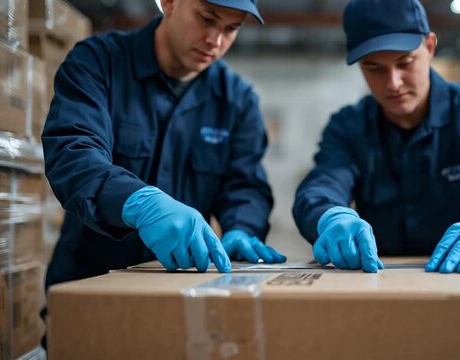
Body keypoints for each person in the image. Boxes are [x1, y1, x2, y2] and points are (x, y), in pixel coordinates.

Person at [292, 0, 460, 274]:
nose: (393, 83)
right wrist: (330, 216)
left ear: (430, 47)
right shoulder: (348, 126)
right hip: (376, 282)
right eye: (374, 68)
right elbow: (321, 186)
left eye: (405, 63)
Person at [42, 0, 287, 295]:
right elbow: (73, 153)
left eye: (231, 28)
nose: (216, 40)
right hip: (89, 284)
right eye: (207, 19)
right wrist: (137, 203)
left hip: (184, 292)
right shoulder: (98, 63)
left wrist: (242, 228)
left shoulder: (237, 101)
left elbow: (246, 186)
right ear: (170, 3)